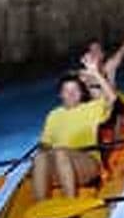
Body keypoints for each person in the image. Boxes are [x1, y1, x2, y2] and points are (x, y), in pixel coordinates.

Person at [32, 57, 117, 203]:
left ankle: (70, 204)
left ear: (81, 93)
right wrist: (40, 152)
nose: (71, 94)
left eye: (75, 90)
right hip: (61, 161)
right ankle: (42, 208)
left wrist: (96, 74)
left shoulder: (91, 108)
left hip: (88, 163)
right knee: (40, 158)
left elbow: (112, 98)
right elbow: (45, 143)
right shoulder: (53, 115)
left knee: (60, 152)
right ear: (60, 94)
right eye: (66, 90)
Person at [78, 14, 124, 99]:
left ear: (102, 55)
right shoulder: (83, 75)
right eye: (92, 51)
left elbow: (123, 50)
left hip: (113, 105)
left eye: (97, 50)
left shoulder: (109, 67)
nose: (94, 53)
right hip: (97, 107)